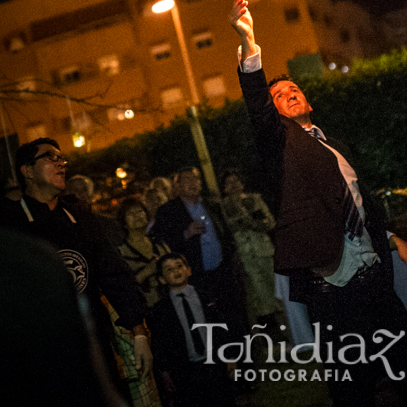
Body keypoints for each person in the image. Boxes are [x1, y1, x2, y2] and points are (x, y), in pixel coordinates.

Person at [229, 0, 407, 407]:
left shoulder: (335, 146)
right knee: (353, 387)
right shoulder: (279, 145)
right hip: (331, 285)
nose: (289, 93)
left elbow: (360, 205)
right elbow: (256, 106)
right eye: (279, 94)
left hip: (375, 275)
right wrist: (248, 41)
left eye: (294, 87)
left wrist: (393, 241)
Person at [0, 138, 153, 394]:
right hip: (38, 357)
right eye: (50, 157)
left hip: (93, 347)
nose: (61, 163)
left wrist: (138, 332)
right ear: (27, 171)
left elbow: (115, 275)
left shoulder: (80, 219)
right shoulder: (11, 223)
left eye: (62, 158)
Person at [152, 164, 248, 340]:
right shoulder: (168, 211)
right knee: (210, 318)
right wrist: (186, 234)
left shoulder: (212, 205)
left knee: (233, 313)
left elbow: (226, 234)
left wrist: (231, 259)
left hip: (222, 271)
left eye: (195, 178)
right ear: (177, 186)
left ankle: (244, 356)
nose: (193, 183)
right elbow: (162, 241)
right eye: (187, 180)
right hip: (195, 275)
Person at [149, 253, 236, 407]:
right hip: (185, 370)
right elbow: (160, 342)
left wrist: (229, 357)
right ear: (162, 279)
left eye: (179, 266)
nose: (176, 271)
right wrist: (165, 372)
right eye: (169, 270)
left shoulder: (206, 297)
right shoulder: (161, 310)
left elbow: (222, 327)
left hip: (214, 363)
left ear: (188, 270)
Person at [220, 168, 278, 322]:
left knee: (276, 289)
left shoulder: (255, 199)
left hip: (263, 250)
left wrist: (252, 223)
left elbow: (270, 222)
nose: (233, 185)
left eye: (236, 181)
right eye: (229, 183)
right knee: (257, 294)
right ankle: (270, 331)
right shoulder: (222, 207)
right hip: (244, 256)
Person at [117, 196, 170, 308]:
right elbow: (123, 287)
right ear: (124, 223)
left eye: (140, 211)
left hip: (171, 304)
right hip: (145, 310)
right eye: (131, 213)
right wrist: (147, 271)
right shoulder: (121, 253)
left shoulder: (159, 243)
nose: (137, 215)